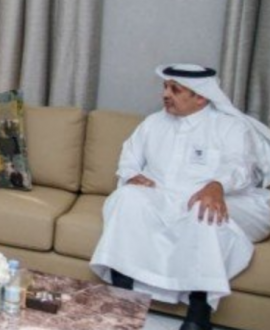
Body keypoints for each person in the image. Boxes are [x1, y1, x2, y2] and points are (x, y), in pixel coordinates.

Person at [90, 64, 270, 330]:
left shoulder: (229, 127)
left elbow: (240, 166)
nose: (165, 94)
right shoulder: (154, 123)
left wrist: (217, 185)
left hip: (230, 199)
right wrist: (131, 176)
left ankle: (198, 314)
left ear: (201, 96)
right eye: (165, 87)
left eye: (175, 89)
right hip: (164, 196)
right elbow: (129, 157)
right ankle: (123, 299)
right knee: (126, 198)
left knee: (203, 211)